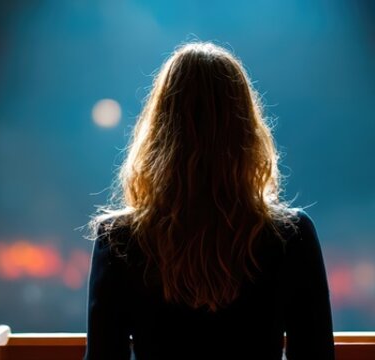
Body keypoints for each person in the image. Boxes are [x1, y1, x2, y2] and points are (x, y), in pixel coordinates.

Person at [84, 42, 335, 360]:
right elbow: (316, 355)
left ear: (160, 129)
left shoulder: (118, 238)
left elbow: (104, 356)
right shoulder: (292, 235)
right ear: (245, 131)